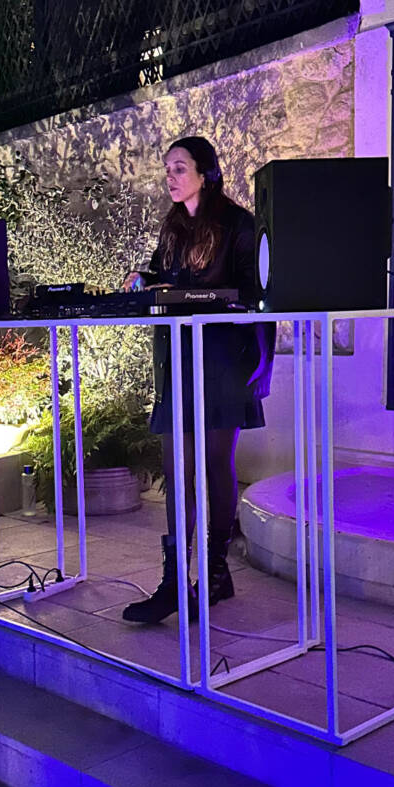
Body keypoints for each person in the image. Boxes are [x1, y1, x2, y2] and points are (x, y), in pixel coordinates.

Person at [122, 136, 276, 624]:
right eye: (167, 168)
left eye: (179, 167)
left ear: (205, 174)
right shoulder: (172, 227)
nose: (170, 176)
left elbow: (258, 295)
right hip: (179, 359)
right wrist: (143, 281)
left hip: (225, 360)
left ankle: (214, 571)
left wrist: (264, 361)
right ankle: (173, 581)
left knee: (214, 464)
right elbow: (165, 280)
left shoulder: (238, 224)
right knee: (178, 468)